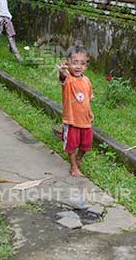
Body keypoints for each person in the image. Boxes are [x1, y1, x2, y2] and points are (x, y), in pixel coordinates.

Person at [57, 46, 94, 177]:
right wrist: (62, 72)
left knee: (86, 144)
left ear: (86, 66)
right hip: (72, 120)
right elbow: (62, 78)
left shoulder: (87, 81)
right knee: (71, 145)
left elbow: (87, 100)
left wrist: (90, 113)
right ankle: (73, 166)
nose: (78, 67)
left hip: (85, 121)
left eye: (82, 63)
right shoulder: (68, 80)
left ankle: (79, 158)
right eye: (74, 62)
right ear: (67, 64)